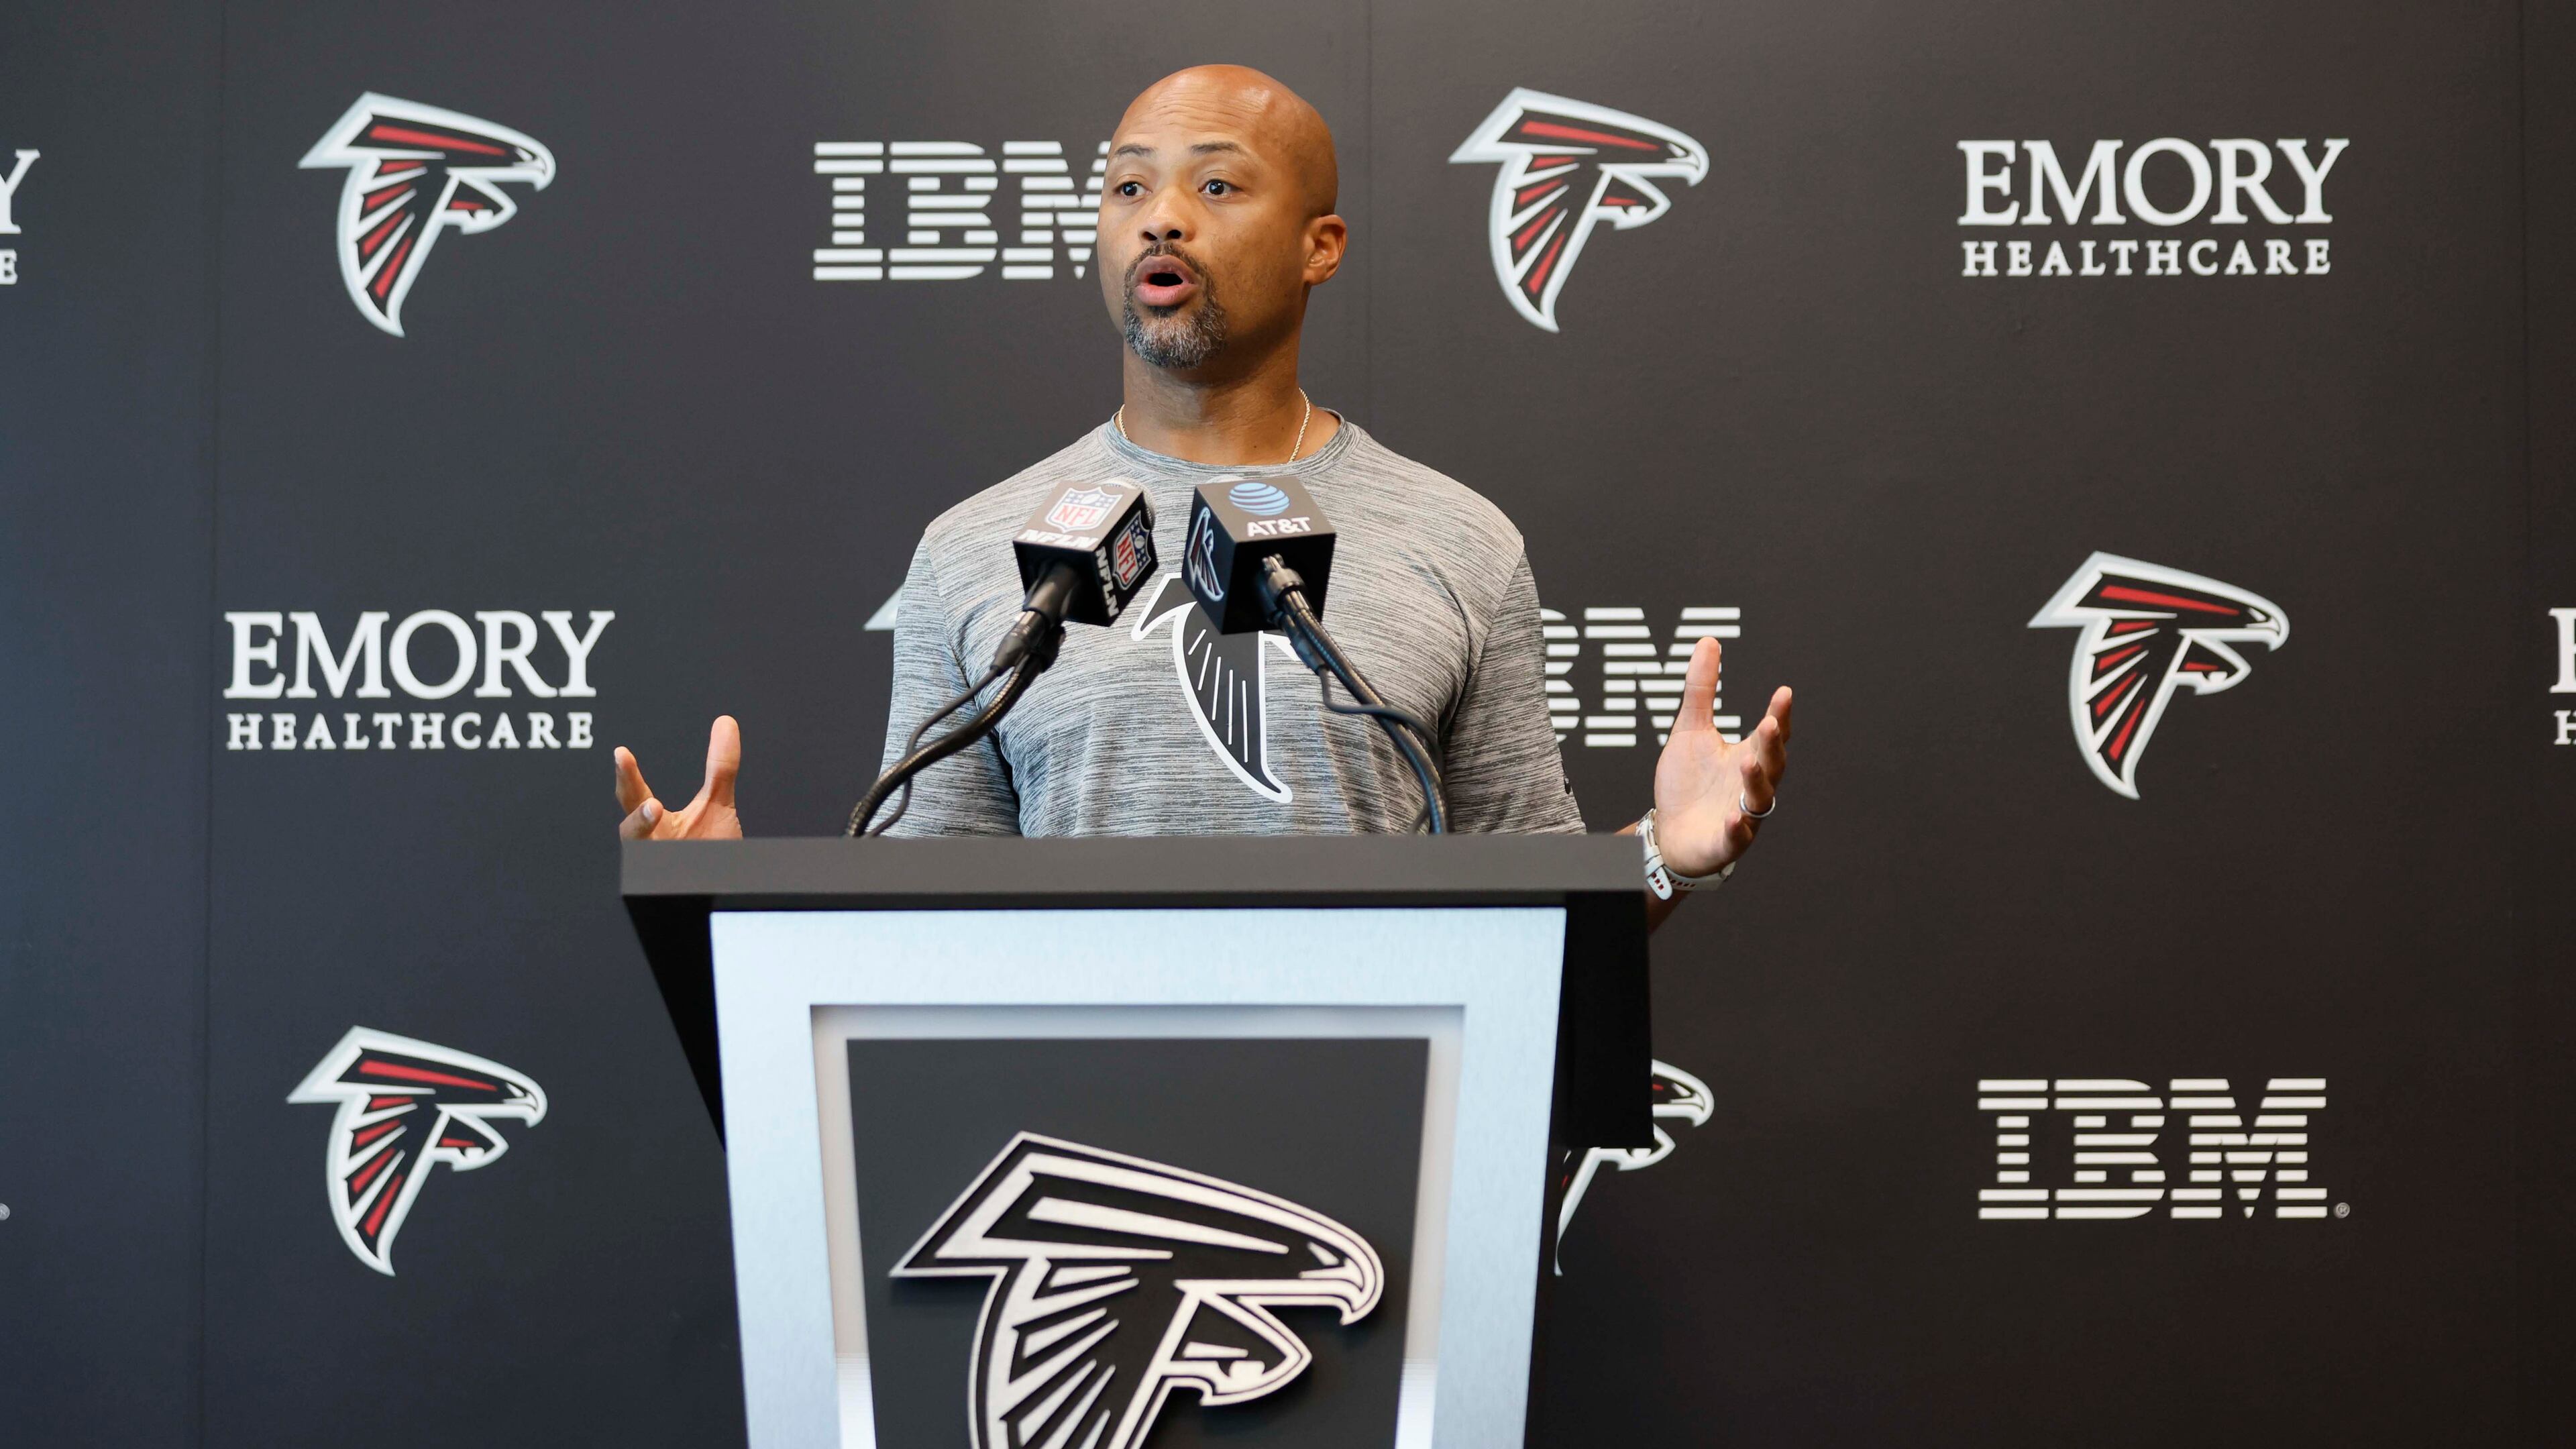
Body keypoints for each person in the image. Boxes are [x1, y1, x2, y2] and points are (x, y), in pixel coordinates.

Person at [613, 64, 1792, 925]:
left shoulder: (1460, 541)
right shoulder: (975, 550)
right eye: (1129, 188)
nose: (1162, 216)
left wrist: (1669, 859)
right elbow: (922, 914)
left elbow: (1533, 907)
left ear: (1321, 245)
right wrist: (721, 911)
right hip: (1073, 1139)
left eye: (1218, 185)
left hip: (1378, 1140)